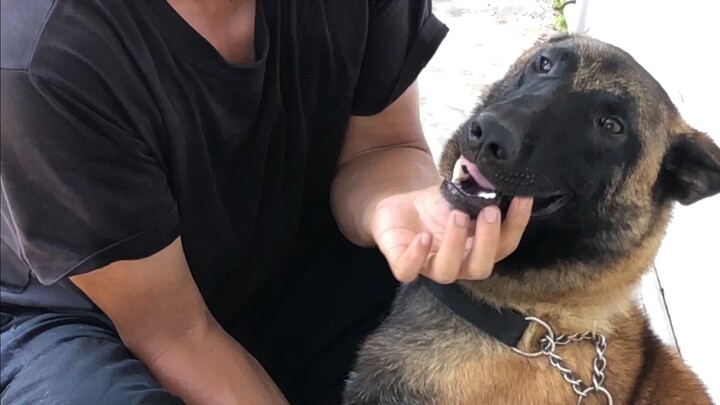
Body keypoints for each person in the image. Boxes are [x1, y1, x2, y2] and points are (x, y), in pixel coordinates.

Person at [0, 0, 533, 404]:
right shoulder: (48, 53)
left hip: (289, 254)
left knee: (493, 322)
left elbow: (382, 144)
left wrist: (400, 211)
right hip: (85, 318)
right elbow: (172, 334)